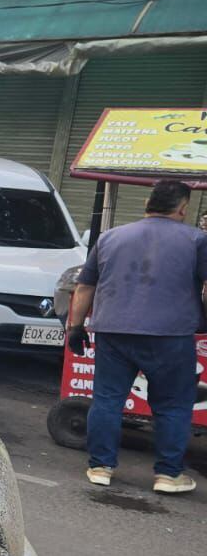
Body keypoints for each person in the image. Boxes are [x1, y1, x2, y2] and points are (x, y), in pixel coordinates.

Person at [67, 179, 207, 494]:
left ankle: (100, 467)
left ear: (147, 203)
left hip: (113, 331)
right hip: (169, 336)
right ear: (183, 208)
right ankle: (168, 475)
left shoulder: (110, 238)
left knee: (107, 399)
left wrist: (75, 327)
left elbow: (85, 285)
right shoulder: (196, 240)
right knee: (172, 405)